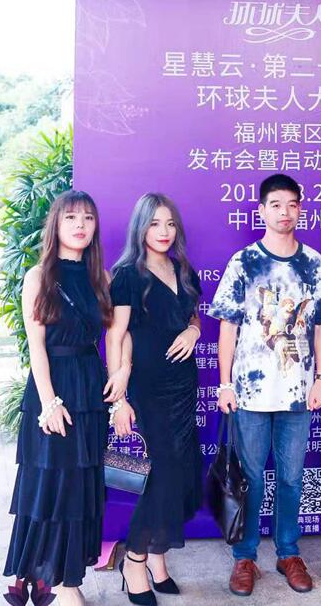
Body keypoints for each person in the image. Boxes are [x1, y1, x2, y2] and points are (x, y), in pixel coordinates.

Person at [208, 174, 321, 597]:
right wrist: (224, 384)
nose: (284, 212)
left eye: (291, 204)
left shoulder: (313, 264)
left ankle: (288, 552)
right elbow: (227, 327)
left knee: (291, 477)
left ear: (300, 208)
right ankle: (244, 557)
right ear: (262, 210)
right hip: (250, 394)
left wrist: (320, 379)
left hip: (298, 392)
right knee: (249, 477)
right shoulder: (244, 262)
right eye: (275, 204)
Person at [3, 190, 131, 606]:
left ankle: (70, 579)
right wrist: (49, 402)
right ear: (56, 224)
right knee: (50, 482)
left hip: (90, 389)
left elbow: (118, 334)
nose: (80, 225)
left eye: (88, 218)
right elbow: (36, 345)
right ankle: (46, 578)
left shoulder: (101, 278)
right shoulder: (38, 276)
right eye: (71, 217)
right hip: (52, 387)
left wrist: (123, 373)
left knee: (81, 486)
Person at [106, 193, 203, 606]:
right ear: (140, 227)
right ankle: (134, 561)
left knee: (181, 476)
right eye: (154, 224)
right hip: (149, 388)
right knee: (160, 476)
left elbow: (193, 314)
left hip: (184, 385)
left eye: (170, 224)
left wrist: (194, 331)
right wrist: (119, 399)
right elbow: (116, 335)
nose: (164, 232)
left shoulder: (183, 269)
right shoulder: (128, 274)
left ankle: (159, 558)